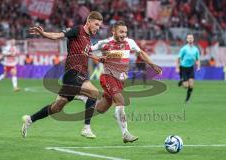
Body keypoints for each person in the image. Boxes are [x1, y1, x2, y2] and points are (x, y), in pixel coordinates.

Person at [21, 11, 103, 139]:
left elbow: (89, 54)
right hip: (73, 73)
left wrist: (104, 59)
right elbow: (58, 35)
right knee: (94, 93)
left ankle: (30, 119)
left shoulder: (87, 39)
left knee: (57, 107)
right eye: (96, 24)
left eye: (100, 26)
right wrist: (44, 34)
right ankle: (86, 127)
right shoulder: (77, 30)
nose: (98, 27)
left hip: (81, 74)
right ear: (89, 22)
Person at [89, 21, 162, 143]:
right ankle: (125, 134)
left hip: (120, 80)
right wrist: (98, 58)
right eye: (121, 32)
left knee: (101, 108)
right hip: (108, 77)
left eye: (125, 32)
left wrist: (152, 65)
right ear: (114, 31)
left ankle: (84, 98)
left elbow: (141, 53)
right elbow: (87, 51)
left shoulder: (130, 42)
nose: (124, 34)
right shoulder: (105, 43)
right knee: (121, 102)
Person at [176, 33, 201, 103]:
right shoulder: (184, 49)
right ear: (187, 40)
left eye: (191, 38)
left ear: (193, 39)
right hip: (183, 68)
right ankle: (182, 81)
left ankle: (187, 100)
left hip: (191, 68)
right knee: (186, 86)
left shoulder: (196, 49)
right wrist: (177, 68)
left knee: (191, 85)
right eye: (189, 38)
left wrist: (198, 67)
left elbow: (197, 59)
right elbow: (178, 58)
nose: (190, 39)